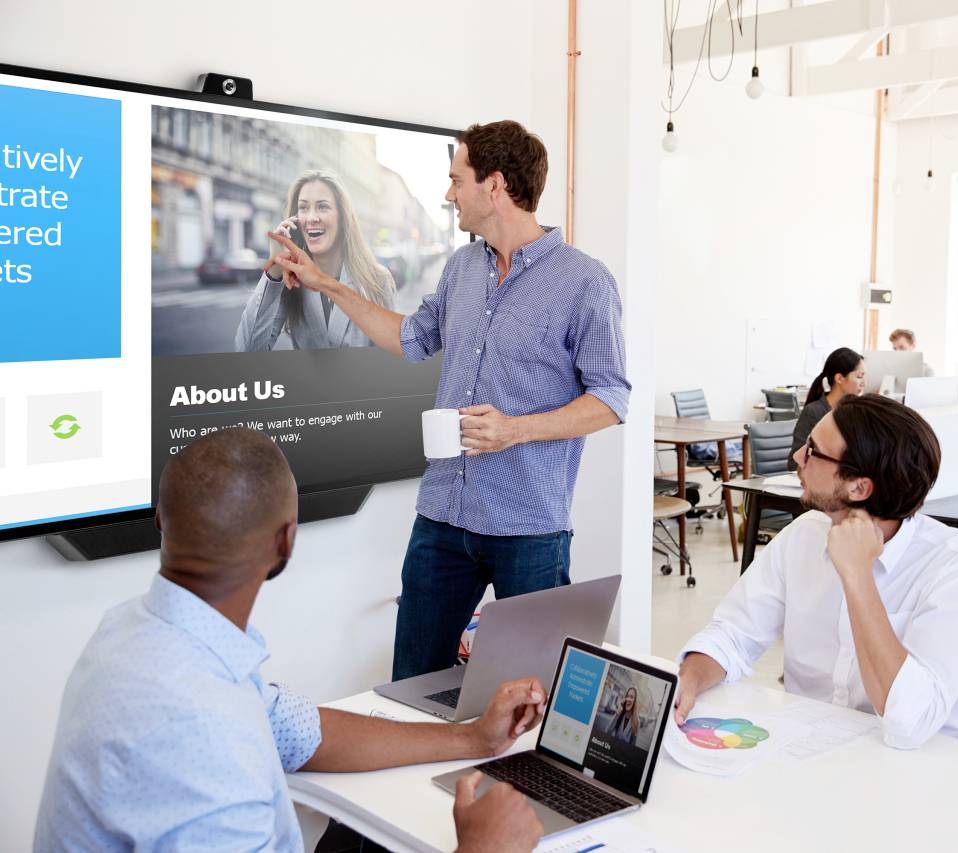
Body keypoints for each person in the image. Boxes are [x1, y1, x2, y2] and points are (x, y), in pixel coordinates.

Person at [33, 429, 545, 853]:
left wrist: (474, 738)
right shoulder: (201, 738)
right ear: (286, 541)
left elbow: (297, 730)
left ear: (161, 521)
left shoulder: (138, 630)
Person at [263, 121, 631, 680]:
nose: (448, 194)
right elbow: (409, 338)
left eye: (456, 180)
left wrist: (515, 429)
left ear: (496, 185)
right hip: (441, 519)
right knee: (413, 681)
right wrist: (326, 284)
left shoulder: (585, 282)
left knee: (528, 693)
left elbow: (611, 396)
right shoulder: (463, 268)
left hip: (529, 528)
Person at [676, 395, 958, 750]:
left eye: (812, 450)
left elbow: (910, 723)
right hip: (814, 751)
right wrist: (688, 680)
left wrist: (857, 575)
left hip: (921, 767)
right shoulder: (803, 535)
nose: (797, 457)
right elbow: (733, 635)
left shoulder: (956, 565)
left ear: (858, 487)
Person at [236, 169, 396, 351]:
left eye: (323, 207)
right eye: (303, 208)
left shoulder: (377, 280)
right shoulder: (292, 283)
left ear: (342, 217)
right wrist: (275, 269)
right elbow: (247, 349)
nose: (311, 217)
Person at [788, 347, 865, 471]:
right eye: (859, 377)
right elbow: (794, 464)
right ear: (840, 378)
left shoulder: (855, 413)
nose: (863, 383)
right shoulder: (814, 412)